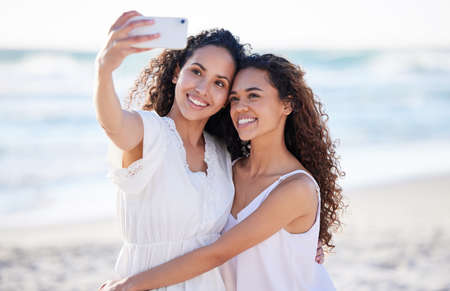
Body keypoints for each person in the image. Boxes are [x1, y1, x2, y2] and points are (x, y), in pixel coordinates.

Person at [99, 53, 344, 291]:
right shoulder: (227, 169)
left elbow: (218, 253)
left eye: (254, 96)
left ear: (287, 104)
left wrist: (130, 285)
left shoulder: (296, 188)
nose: (241, 108)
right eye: (235, 98)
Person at [95, 10, 247, 290]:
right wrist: (104, 71)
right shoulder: (149, 133)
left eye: (219, 83)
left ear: (227, 98)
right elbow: (113, 123)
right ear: (177, 72)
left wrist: (306, 240)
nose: (203, 88)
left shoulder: (222, 154)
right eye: (197, 71)